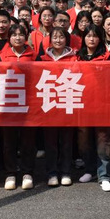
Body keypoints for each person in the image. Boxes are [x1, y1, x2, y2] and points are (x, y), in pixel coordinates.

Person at [0, 24, 34, 191]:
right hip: (8, 103)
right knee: (9, 140)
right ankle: (10, 173)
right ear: (9, 38)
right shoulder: (2, 55)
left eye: (21, 34)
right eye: (14, 35)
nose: (17, 38)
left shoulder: (34, 55)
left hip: (29, 103)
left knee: (28, 140)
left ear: (26, 37)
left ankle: (27, 172)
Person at [38, 27, 77, 186]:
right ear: (50, 40)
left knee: (67, 141)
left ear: (66, 39)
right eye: (55, 37)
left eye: (61, 37)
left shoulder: (74, 58)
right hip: (48, 104)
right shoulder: (42, 58)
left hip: (68, 103)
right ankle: (52, 173)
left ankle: (66, 172)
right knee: (50, 141)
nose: (58, 40)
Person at [77, 24, 110, 192]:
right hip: (82, 104)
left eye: (95, 36)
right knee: (84, 140)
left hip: (102, 104)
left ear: (100, 39)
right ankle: (90, 169)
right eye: (88, 36)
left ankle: (104, 175)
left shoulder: (107, 57)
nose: (91, 39)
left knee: (103, 140)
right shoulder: (77, 57)